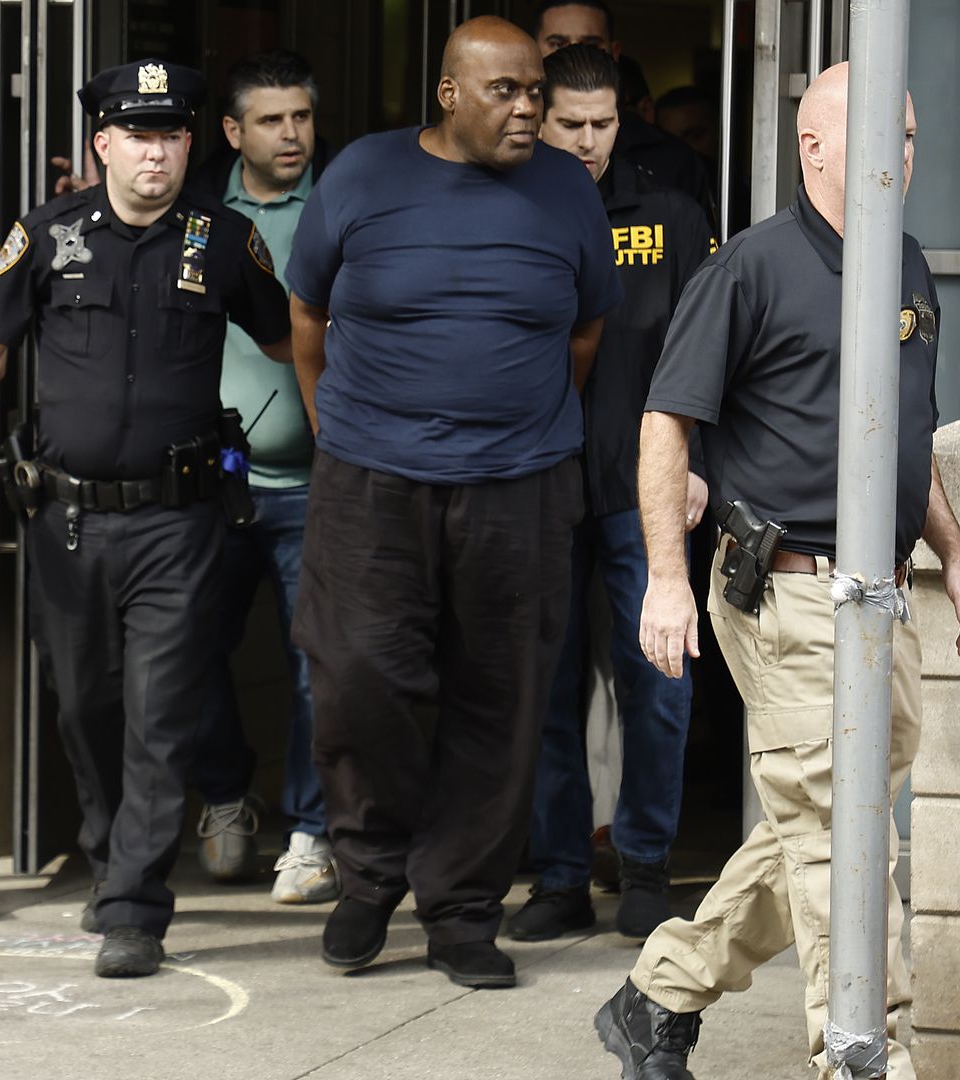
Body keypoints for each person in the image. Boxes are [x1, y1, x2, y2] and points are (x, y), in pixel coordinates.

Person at [592, 63, 960, 1080]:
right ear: (813, 148)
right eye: (874, 137)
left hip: (880, 589)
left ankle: (661, 993)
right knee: (845, 832)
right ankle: (863, 1050)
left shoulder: (901, 261)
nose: (899, 157)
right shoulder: (752, 268)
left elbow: (912, 434)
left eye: (906, 137)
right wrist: (666, 579)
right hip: (787, 587)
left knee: (823, 814)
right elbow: (665, 423)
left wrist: (956, 555)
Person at [285, 16, 621, 991]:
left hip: (519, 485)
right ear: (449, 95)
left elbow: (585, 331)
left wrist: (512, 417)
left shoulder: (565, 188)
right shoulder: (362, 175)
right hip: (370, 483)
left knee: (501, 695)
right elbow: (308, 316)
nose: (527, 110)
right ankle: (369, 872)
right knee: (358, 676)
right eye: (505, 92)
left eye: (534, 91)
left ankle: (463, 908)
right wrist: (340, 429)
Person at [0, 59, 292, 979]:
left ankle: (137, 902)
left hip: (179, 525)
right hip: (66, 522)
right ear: (102, 143)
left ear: (190, 144)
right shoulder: (45, 235)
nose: (156, 151)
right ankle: (111, 860)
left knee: (159, 712)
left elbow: (298, 344)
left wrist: (335, 458)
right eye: (138, 134)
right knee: (86, 705)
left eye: (172, 134)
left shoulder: (224, 240)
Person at [509, 44, 714, 947]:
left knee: (658, 681)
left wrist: (700, 459)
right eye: (570, 125)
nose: (588, 143)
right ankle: (556, 875)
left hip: (644, 485)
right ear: (538, 116)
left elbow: (706, 349)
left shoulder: (668, 212)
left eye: (603, 126)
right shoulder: (505, 202)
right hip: (536, 484)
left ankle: (643, 868)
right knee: (543, 686)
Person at [178, 50, 339, 903]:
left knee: (318, 659)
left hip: (316, 483)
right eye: (271, 120)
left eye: (301, 118)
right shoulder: (195, 214)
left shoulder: (344, 208)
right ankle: (224, 794)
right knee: (188, 647)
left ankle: (312, 833)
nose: (290, 134)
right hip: (212, 484)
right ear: (234, 131)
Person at [531, 1, 714, 221]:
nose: (587, 141)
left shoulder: (672, 193)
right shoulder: (506, 191)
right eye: (558, 44)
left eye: (602, 124)